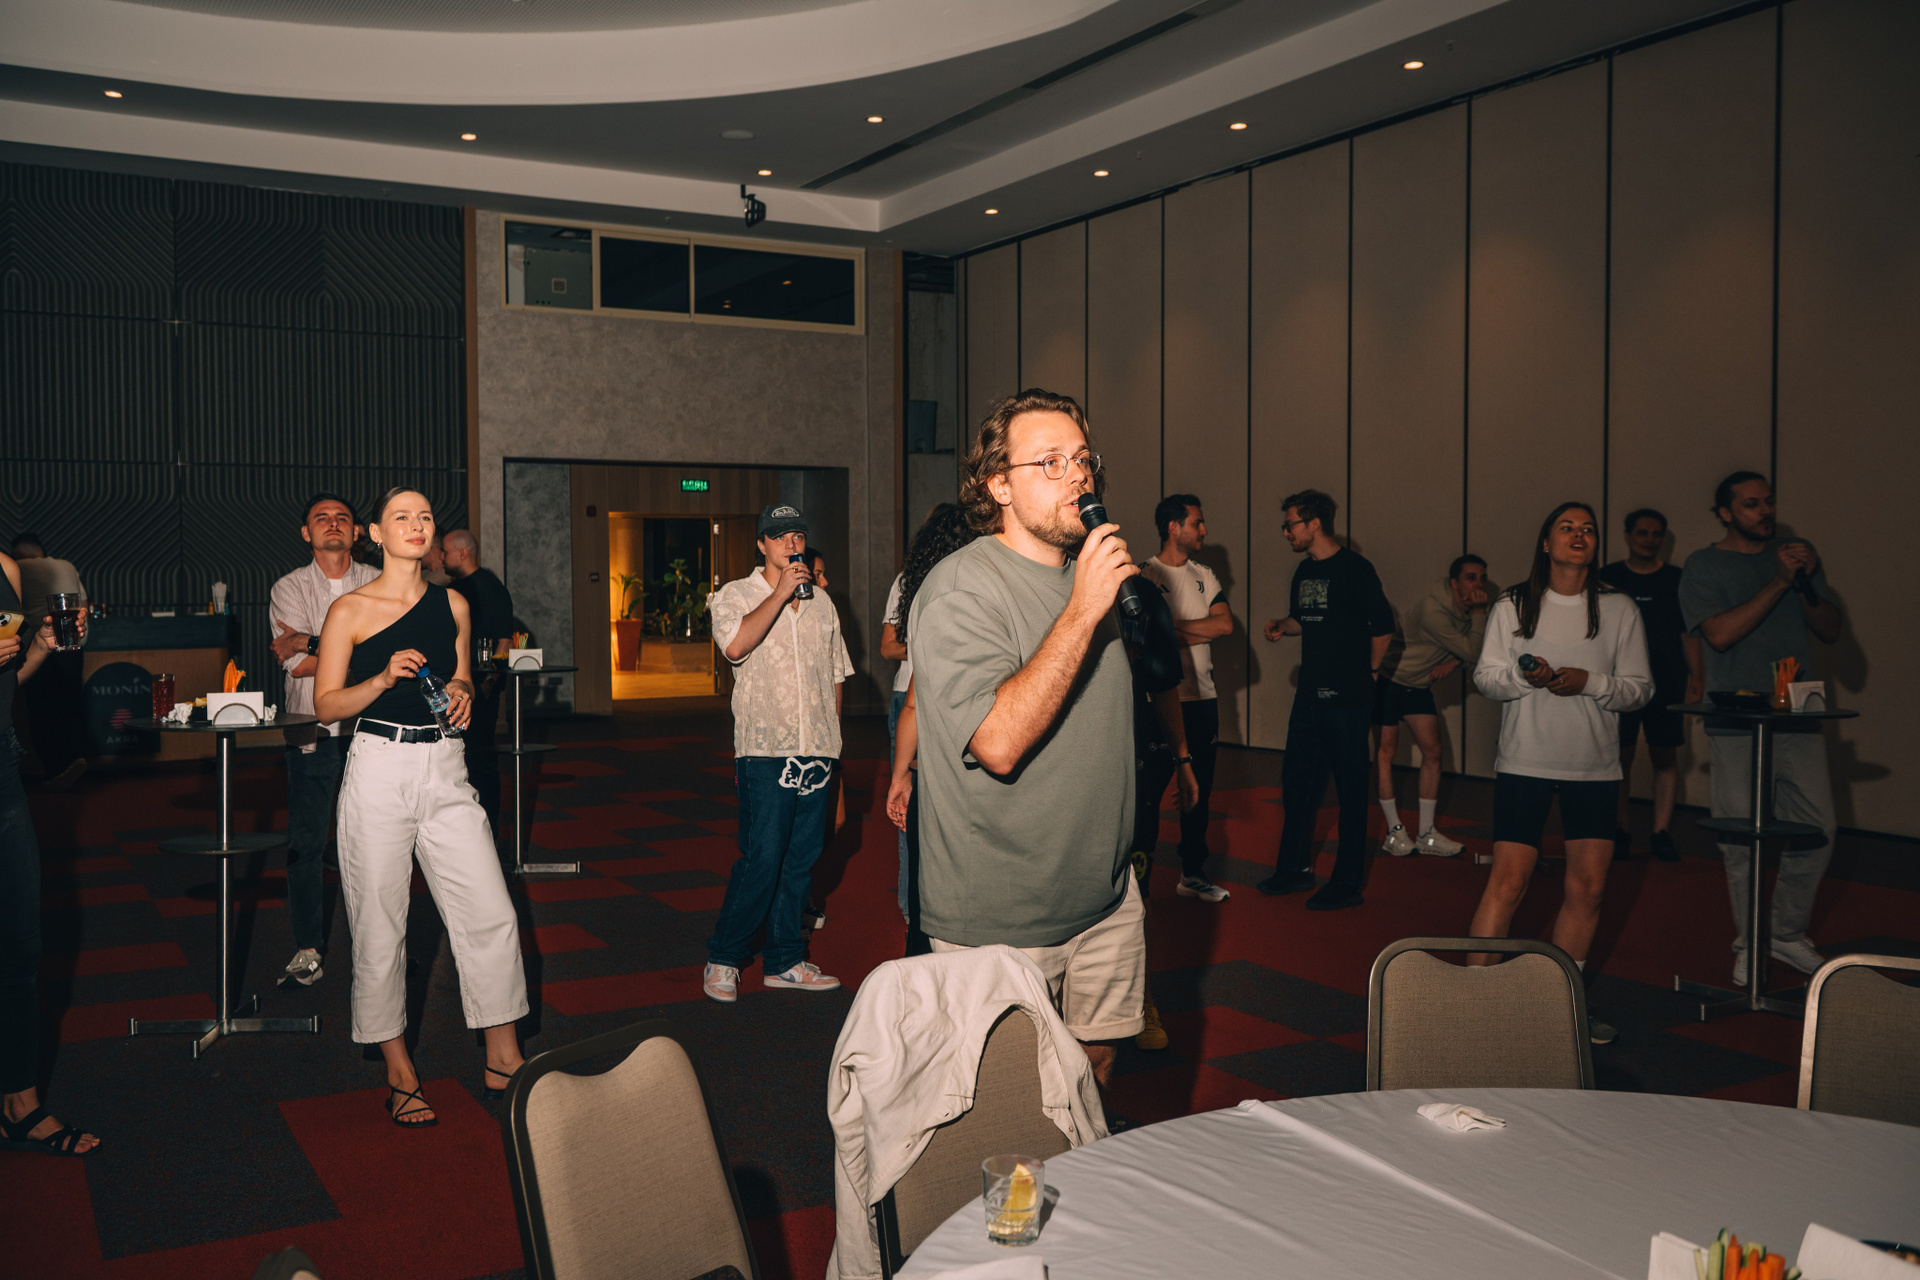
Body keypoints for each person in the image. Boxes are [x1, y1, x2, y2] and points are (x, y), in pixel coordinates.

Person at [909, 388, 1145, 1085]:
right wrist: (1083, 612)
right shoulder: (961, 589)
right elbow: (998, 744)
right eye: (1050, 461)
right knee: (1006, 1107)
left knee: (1096, 1072)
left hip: (1106, 895)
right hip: (1002, 916)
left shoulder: (1090, 583)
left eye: (1083, 458)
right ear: (999, 485)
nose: (1077, 476)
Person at [313, 487, 528, 1127]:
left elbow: (460, 675)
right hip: (378, 767)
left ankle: (504, 1058)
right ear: (375, 534)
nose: (415, 525)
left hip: (446, 768)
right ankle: (399, 1070)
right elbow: (326, 706)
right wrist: (380, 679)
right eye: (400, 517)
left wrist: (462, 689)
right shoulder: (350, 610)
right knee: (380, 923)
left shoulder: (454, 604)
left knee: (491, 911)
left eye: (424, 517)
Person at [1469, 502, 1652, 1046]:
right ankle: (1473, 1003)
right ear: (1546, 543)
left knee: (1588, 890)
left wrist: (1591, 682)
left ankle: (1562, 1005)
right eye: (1567, 528)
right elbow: (1486, 677)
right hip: (1524, 760)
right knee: (1509, 882)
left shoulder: (1619, 608)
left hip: (1593, 768)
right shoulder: (1514, 604)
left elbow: (1640, 689)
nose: (1579, 535)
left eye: (1588, 529)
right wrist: (1527, 679)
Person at [1679, 472, 1842, 986]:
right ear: (1726, 513)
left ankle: (1786, 933)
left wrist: (1804, 582)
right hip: (1736, 722)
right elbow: (1719, 635)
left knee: (1818, 828)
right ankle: (1749, 942)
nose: (1765, 511)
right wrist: (1778, 582)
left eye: (1769, 501)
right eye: (1751, 504)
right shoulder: (1704, 565)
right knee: (1740, 839)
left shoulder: (1797, 556)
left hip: (1797, 715)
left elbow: (1830, 629)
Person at [702, 504, 852, 1002]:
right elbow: (735, 646)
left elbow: (835, 675)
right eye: (780, 536)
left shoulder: (822, 603)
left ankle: (784, 960)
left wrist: (833, 746)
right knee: (763, 857)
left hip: (817, 750)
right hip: (766, 749)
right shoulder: (736, 595)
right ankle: (725, 956)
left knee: (801, 861)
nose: (791, 543)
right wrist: (780, 593)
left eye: (798, 535)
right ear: (761, 545)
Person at [0, 552, 99, 1156]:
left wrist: (38, 645)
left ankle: (19, 1103)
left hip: (1, 771)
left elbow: (7, 681)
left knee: (20, 946)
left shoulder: (6, 569)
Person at [1258, 490, 1394, 910]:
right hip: (1309, 698)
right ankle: (1294, 870)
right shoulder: (1304, 571)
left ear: (1314, 524)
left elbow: (1382, 627)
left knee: (1351, 793)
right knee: (1297, 786)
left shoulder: (1356, 569)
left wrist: (1371, 673)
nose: (1286, 532)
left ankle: (1347, 883)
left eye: (1291, 525)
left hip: (1348, 701)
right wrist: (1284, 625)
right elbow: (1306, 619)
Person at [267, 494, 378, 987]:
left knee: (375, 843)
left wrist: (313, 641)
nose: (333, 524)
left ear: (356, 532)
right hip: (311, 729)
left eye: (342, 518)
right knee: (307, 843)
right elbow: (298, 667)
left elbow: (384, 654)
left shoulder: (378, 580)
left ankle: (378, 946)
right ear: (305, 533)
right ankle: (308, 946)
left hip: (370, 728)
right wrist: (362, 655)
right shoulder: (288, 587)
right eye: (321, 518)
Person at [885, 504, 979, 959]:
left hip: (935, 741)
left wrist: (901, 775)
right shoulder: (978, 593)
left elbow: (914, 705)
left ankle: (926, 938)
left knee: (928, 843)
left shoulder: (937, 595)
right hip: (965, 747)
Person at [1136, 494, 1232, 901]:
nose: (1204, 530)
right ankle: (1139, 881)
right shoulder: (1143, 576)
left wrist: (1171, 631)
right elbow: (1143, 639)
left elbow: (1224, 626)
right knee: (1149, 795)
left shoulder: (1204, 575)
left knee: (1198, 792)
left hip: (1203, 701)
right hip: (1158, 701)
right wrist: (1195, 629)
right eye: (1197, 523)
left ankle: (1192, 873)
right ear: (1174, 528)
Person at [1599, 509, 1705, 862]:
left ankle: (1661, 831)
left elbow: (1689, 633)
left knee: (1665, 754)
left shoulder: (1677, 579)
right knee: (1620, 756)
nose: (1649, 539)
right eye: (1642, 533)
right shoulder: (1608, 577)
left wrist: (1697, 677)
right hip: (1619, 681)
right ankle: (1620, 828)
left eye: (1656, 534)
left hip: (1668, 679)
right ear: (1628, 536)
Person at [1373, 554, 1491, 859]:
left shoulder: (1465, 613)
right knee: (1386, 752)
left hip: (1416, 685)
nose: (1478, 585)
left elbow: (1481, 652)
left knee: (1433, 752)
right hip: (1389, 680)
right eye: (1470, 578)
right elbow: (1474, 650)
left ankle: (1426, 834)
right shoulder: (1433, 611)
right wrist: (1479, 617)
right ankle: (1394, 831)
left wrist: (1453, 661)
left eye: (1482, 578)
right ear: (1454, 583)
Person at [443, 528, 514, 835]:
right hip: (458, 686)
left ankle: (489, 831)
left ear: (463, 553)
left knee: (481, 760)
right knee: (460, 759)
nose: (441, 557)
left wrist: (488, 683)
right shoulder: (453, 589)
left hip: (481, 688)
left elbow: (505, 641)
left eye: (445, 552)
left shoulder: (490, 588)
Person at [8, 533, 88, 790]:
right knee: (71, 703)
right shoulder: (66, 565)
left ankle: (56, 769)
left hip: (37, 644)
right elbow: (83, 606)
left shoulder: (16, 567)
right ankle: (75, 758)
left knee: (42, 711)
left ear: (17, 553)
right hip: (72, 646)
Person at [879, 562, 913, 922]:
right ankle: (910, 908)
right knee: (906, 801)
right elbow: (888, 647)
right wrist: (931, 642)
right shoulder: (907, 580)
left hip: (959, 693)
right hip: (909, 696)